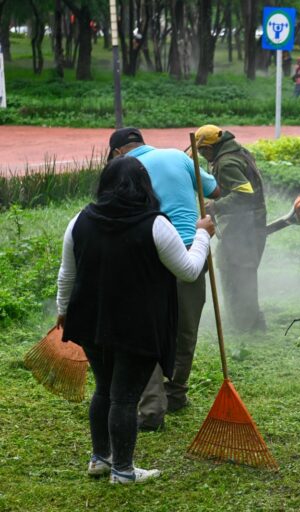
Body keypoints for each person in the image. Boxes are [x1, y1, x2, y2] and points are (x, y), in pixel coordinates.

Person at [56, 156, 214, 484]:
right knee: (125, 397)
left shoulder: (79, 221)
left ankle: (101, 458)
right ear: (145, 187)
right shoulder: (156, 225)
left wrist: (62, 309)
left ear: (104, 186)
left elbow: (67, 274)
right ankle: (123, 471)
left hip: (92, 321)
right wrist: (202, 235)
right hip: (136, 326)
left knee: (104, 390)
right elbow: (188, 271)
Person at [107, 127, 220, 432]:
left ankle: (152, 408)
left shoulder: (123, 170)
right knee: (185, 327)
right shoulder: (178, 157)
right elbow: (215, 191)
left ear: (117, 152)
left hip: (151, 256)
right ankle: (176, 393)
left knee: (148, 329)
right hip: (193, 247)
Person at [194, 124, 268, 333]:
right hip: (249, 222)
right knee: (241, 270)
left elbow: (245, 193)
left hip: (243, 225)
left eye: (202, 151)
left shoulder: (226, 163)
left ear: (210, 148)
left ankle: (246, 325)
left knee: (236, 272)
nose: (201, 155)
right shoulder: (239, 151)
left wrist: (216, 206)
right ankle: (250, 321)